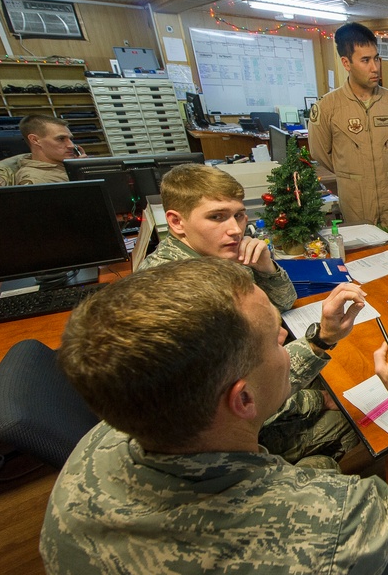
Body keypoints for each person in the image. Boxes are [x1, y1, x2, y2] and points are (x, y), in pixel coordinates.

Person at [40, 258, 388, 575]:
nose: (286, 352)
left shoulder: (100, 442)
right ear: (243, 400)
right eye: (276, 341)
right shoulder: (334, 526)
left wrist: (320, 341)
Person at [141, 164, 359, 464]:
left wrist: (266, 267)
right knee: (360, 415)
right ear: (177, 222)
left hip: (255, 389)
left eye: (239, 215)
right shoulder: (181, 299)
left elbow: (284, 301)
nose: (235, 228)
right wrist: (317, 399)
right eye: (217, 217)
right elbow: (243, 404)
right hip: (231, 440)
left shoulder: (215, 254)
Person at [308, 22, 388, 245]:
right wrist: (353, 172)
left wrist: (383, 169)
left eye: (376, 58)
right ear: (346, 63)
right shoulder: (328, 107)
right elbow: (320, 153)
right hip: (354, 200)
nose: (375, 67)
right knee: (361, 257)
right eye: (365, 60)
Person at [0, 115, 85, 187]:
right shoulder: (38, 180)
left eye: (70, 139)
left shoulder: (63, 166)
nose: (71, 145)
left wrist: (81, 167)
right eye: (61, 139)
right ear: (35, 140)